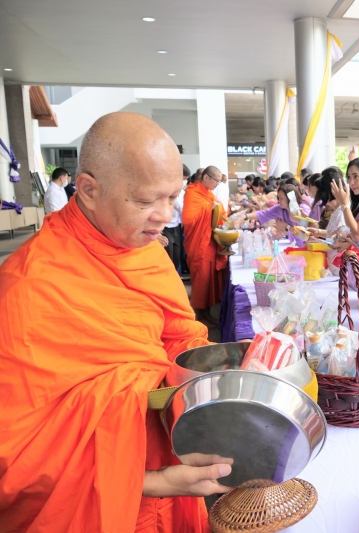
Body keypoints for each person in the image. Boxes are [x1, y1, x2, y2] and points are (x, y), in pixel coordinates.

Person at [0, 112, 232, 532]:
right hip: (108, 504)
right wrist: (155, 482)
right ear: (88, 190)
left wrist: (211, 370)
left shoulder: (142, 247)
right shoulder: (28, 286)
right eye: (145, 201)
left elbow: (181, 333)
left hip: (171, 459)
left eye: (172, 197)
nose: (164, 215)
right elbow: (17, 459)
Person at [183, 165, 228, 324]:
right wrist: (209, 207)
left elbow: (221, 214)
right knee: (201, 279)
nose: (217, 184)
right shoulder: (192, 193)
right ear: (206, 178)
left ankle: (207, 311)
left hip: (209, 242)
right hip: (199, 244)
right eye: (216, 180)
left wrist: (214, 206)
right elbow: (188, 219)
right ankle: (197, 313)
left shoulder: (208, 194)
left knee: (209, 279)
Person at [243, 183, 312, 244]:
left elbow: (306, 235)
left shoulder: (303, 210)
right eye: (278, 198)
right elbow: (265, 213)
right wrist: (245, 216)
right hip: (294, 245)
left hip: (307, 247)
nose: (279, 201)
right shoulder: (282, 208)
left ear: (290, 198)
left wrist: (287, 227)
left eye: (281, 198)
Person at [162, 164, 190, 272]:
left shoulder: (183, 192)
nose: (184, 181)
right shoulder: (166, 190)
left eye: (186, 179)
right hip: (165, 228)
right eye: (183, 179)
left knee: (176, 258)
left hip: (177, 227)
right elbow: (182, 208)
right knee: (169, 258)